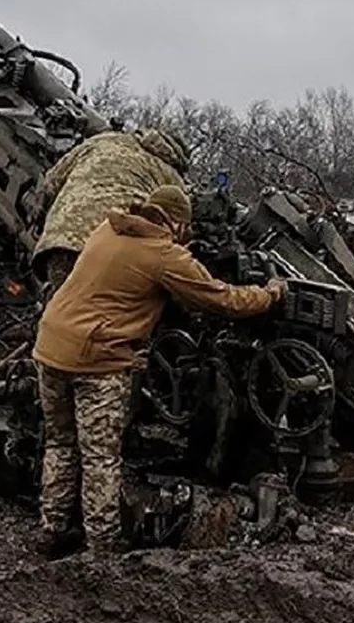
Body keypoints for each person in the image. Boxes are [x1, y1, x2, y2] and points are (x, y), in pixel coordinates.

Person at [30, 184, 286, 557]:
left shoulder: (109, 228)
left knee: (61, 444)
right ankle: (102, 547)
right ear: (176, 222)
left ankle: (51, 532)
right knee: (100, 456)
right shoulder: (162, 255)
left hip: (50, 347)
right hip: (95, 359)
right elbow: (223, 299)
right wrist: (270, 294)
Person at [31, 128, 188, 295]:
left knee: (63, 304)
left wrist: (42, 218)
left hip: (62, 240)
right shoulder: (172, 178)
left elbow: (51, 181)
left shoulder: (106, 140)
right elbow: (178, 226)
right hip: (111, 253)